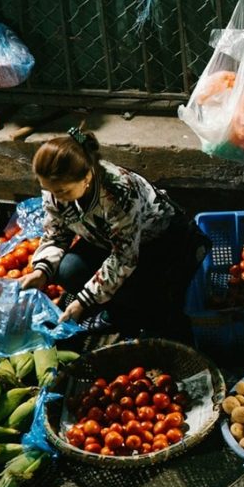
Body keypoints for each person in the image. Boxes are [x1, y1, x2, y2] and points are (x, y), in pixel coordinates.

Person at [18, 128, 209, 338]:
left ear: (87, 177)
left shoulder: (118, 195)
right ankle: (115, 306)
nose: (56, 198)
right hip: (105, 240)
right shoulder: (56, 188)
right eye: (49, 189)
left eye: (62, 191)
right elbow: (57, 233)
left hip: (157, 243)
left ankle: (128, 314)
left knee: (146, 300)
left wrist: (83, 300)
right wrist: (41, 271)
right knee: (67, 270)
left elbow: (123, 258)